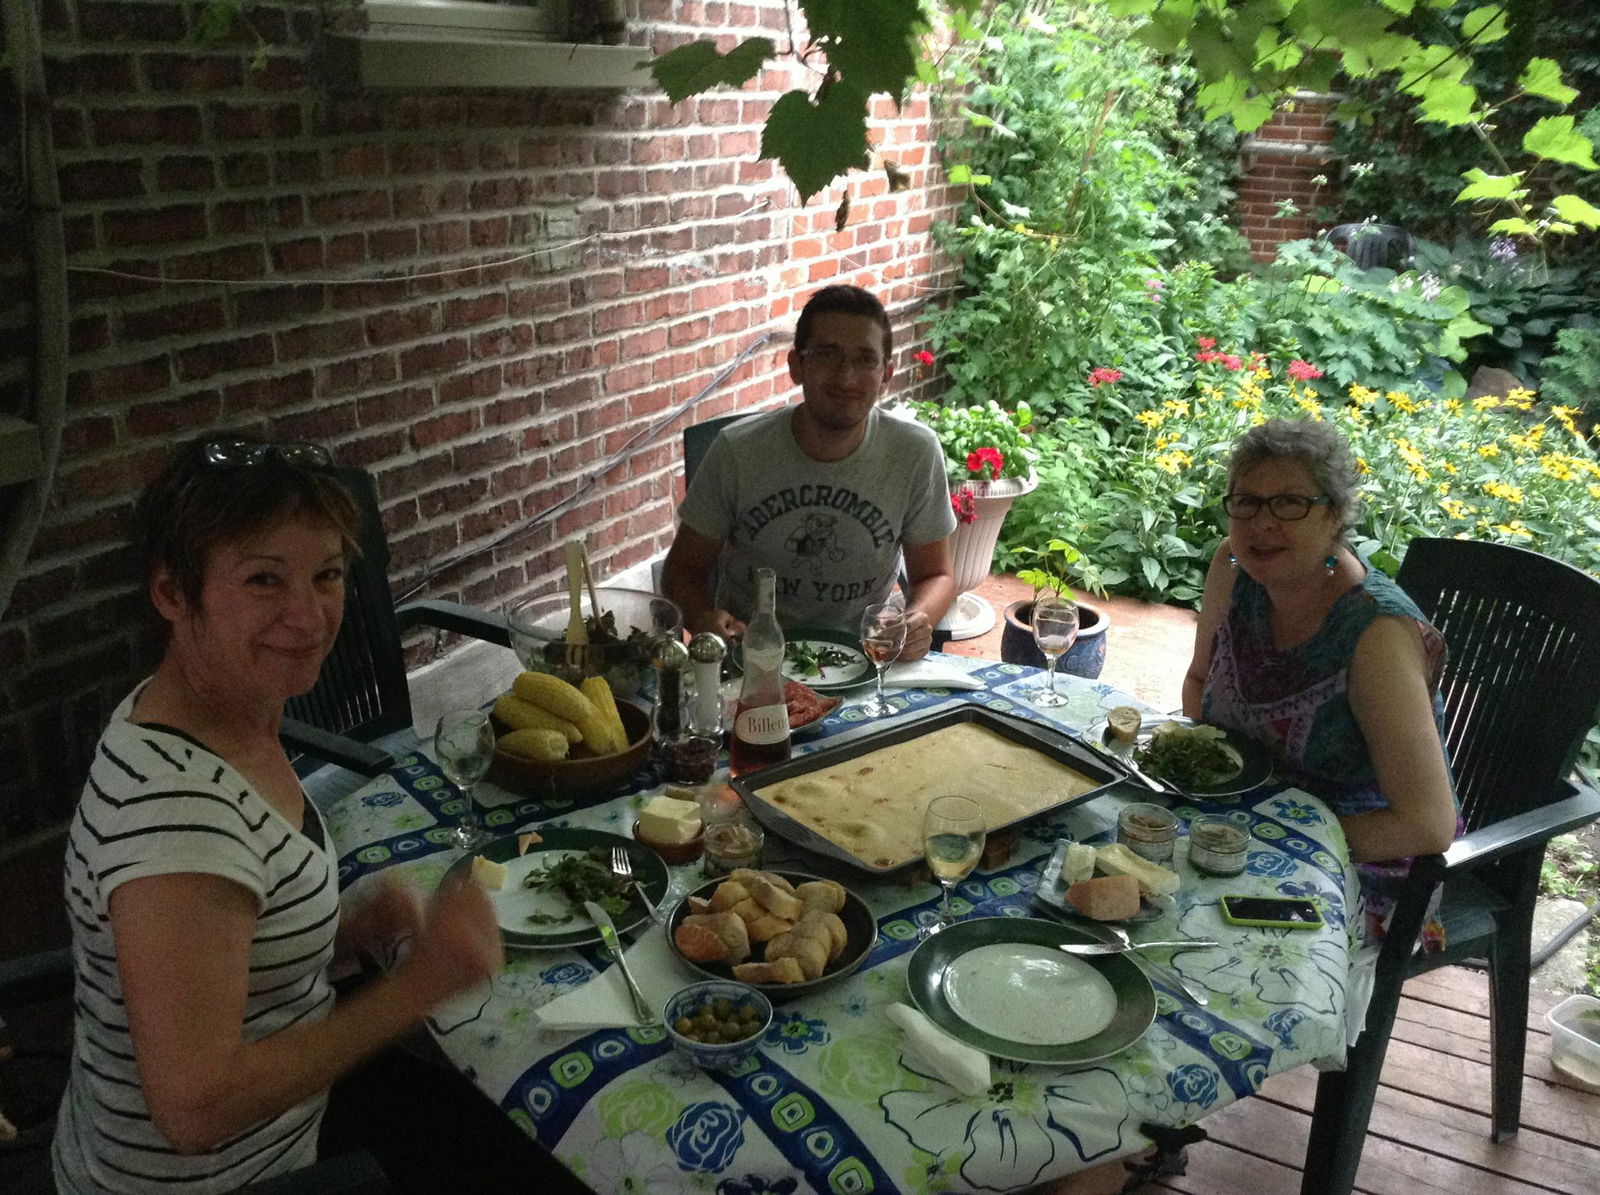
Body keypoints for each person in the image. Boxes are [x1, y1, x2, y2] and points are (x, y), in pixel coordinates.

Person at [52, 437, 586, 1194]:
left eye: (327, 574)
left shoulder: (215, 714)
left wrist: (338, 930)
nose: (307, 615)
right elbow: (195, 1106)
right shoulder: (175, 812)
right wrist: (418, 986)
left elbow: (214, 934)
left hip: (286, 1125)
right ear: (173, 593)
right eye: (264, 579)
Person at [1183, 418, 1459, 948]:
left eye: (1289, 503)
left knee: (1218, 944)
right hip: (1236, 822)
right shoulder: (1233, 566)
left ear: (1334, 514)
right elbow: (1198, 684)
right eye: (1247, 501)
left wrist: (1264, 837)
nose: (1262, 524)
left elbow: (1427, 824)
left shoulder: (1375, 633)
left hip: (1356, 860)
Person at [661, 284, 957, 660]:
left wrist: (916, 619)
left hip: (861, 658)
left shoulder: (914, 452)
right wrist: (704, 617)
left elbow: (937, 575)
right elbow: (681, 570)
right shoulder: (738, 451)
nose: (846, 377)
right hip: (751, 659)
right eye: (827, 354)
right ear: (796, 366)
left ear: (886, 375)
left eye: (865, 360)